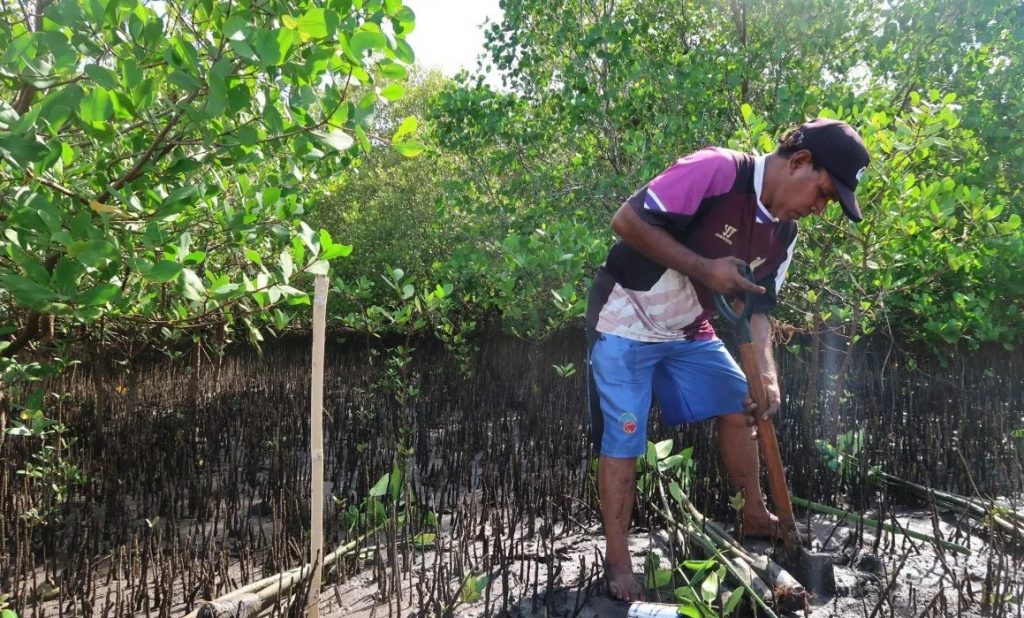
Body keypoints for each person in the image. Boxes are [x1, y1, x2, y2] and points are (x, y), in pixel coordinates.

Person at [585, 118, 870, 601]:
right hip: (625, 317)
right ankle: (618, 561)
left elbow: (757, 309)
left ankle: (754, 513)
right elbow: (626, 221)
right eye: (822, 193)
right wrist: (702, 268)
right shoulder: (717, 170)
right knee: (625, 437)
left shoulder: (784, 235)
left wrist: (766, 375)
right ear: (799, 162)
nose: (820, 210)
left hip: (687, 327)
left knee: (745, 403)